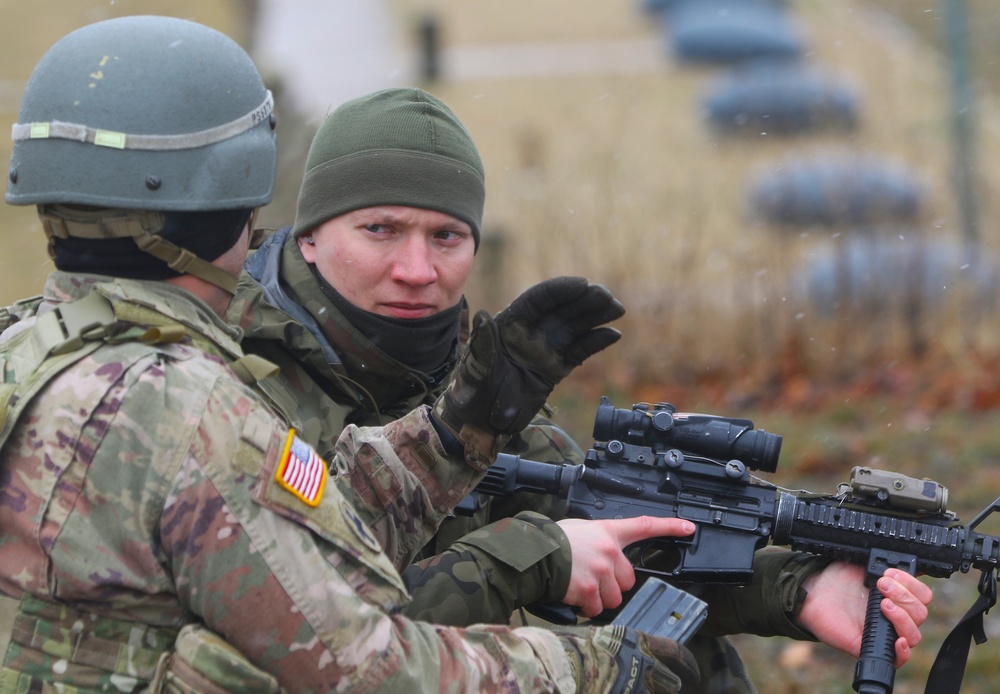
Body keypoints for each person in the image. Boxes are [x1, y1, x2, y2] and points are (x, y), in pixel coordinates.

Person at [0, 16, 708, 693]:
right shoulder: (191, 410)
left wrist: (456, 430)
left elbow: (288, 531)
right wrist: (592, 667)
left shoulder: (27, 345)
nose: (416, 268)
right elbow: (368, 669)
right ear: (233, 200)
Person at [228, 86, 933, 691]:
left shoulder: (479, 387)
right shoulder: (225, 386)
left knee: (675, 646)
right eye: (380, 229)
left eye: (446, 236)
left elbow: (617, 543)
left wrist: (796, 590)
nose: (418, 269)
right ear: (312, 235)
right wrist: (530, 559)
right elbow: (305, 634)